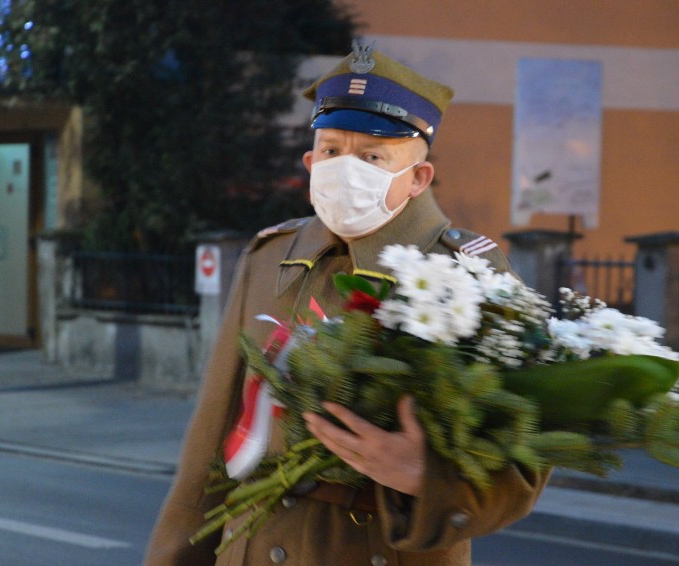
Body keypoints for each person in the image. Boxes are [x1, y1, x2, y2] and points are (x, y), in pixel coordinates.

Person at [144, 42, 549, 566]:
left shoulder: (469, 273)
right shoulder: (270, 257)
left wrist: (429, 478)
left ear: (418, 178)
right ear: (311, 163)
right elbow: (208, 449)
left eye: (373, 155)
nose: (345, 168)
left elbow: (525, 461)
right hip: (253, 544)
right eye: (332, 151)